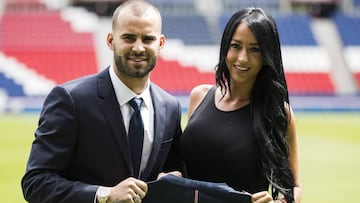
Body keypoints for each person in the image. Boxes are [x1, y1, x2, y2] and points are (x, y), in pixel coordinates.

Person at [21, 1, 182, 203]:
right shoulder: (70, 99)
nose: (139, 47)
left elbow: (171, 169)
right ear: (110, 40)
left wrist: (172, 177)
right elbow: (36, 183)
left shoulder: (170, 107)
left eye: (148, 39)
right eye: (129, 38)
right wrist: (104, 195)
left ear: (160, 43)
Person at [178, 7, 302, 203]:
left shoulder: (278, 112)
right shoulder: (199, 96)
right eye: (236, 46)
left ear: (267, 56)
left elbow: (293, 187)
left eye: (255, 49)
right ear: (225, 47)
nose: (242, 58)